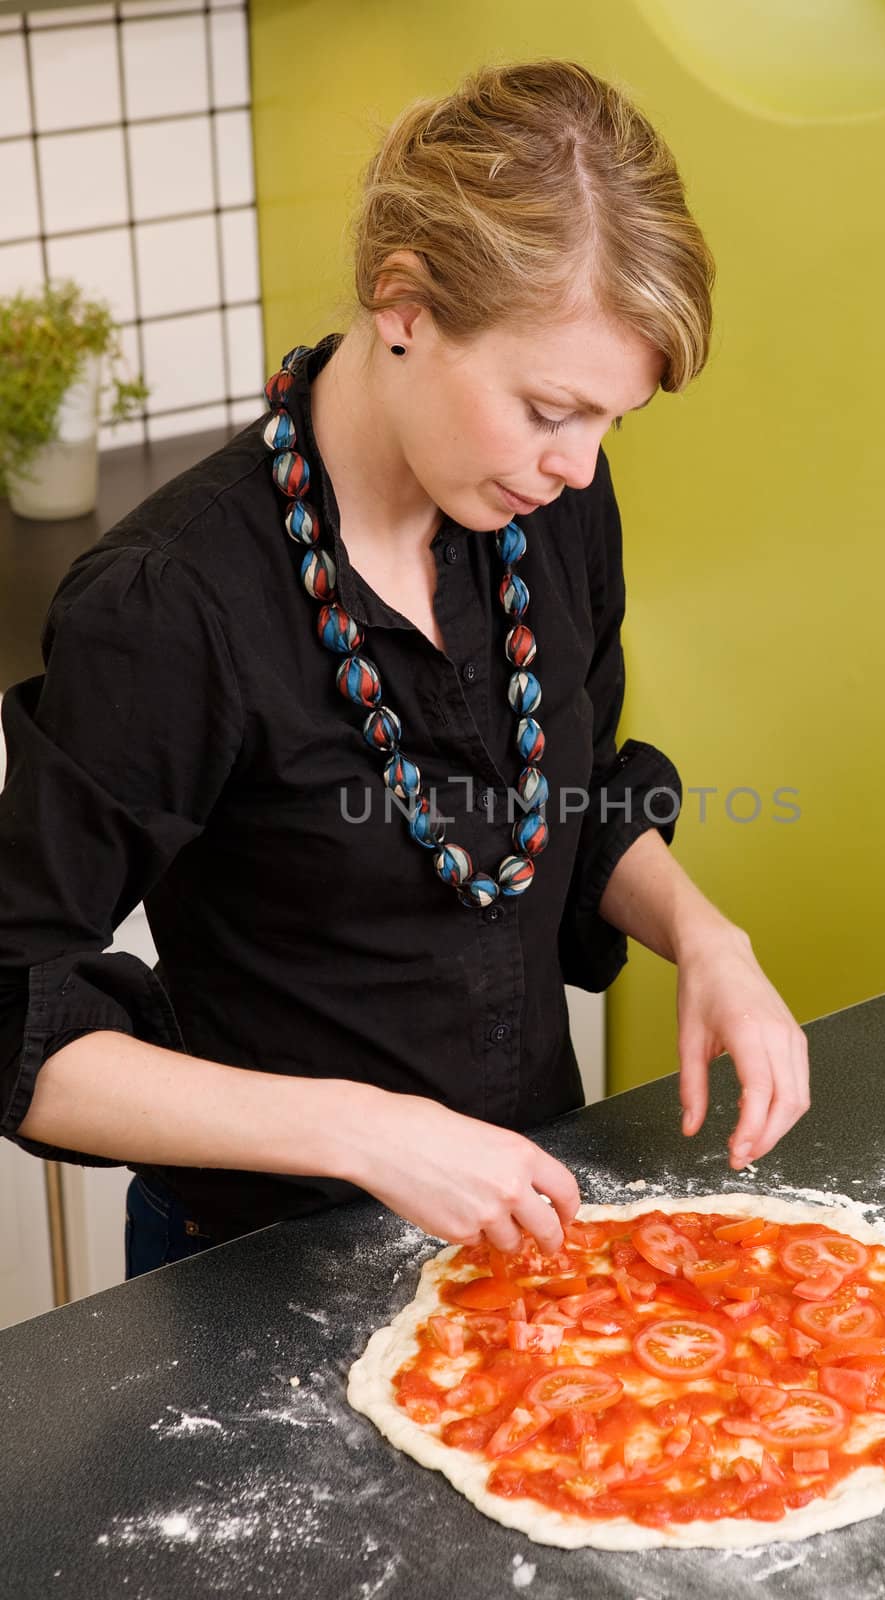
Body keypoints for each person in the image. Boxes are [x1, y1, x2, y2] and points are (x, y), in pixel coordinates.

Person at [0, 59, 809, 1279]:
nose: (579, 466)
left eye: (608, 421)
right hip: (254, 1277)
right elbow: (12, 1007)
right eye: (546, 409)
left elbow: (568, 808)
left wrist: (704, 937)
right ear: (404, 305)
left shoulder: (547, 512)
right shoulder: (173, 606)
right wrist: (365, 1131)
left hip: (530, 1225)